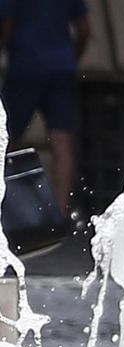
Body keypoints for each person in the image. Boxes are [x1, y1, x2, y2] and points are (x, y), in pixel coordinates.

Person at [0, 0, 91, 217]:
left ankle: (6, 207)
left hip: (24, 66)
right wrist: (70, 57)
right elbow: (85, 29)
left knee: (7, 140)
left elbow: (6, 26)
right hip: (61, 67)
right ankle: (60, 213)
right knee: (61, 140)